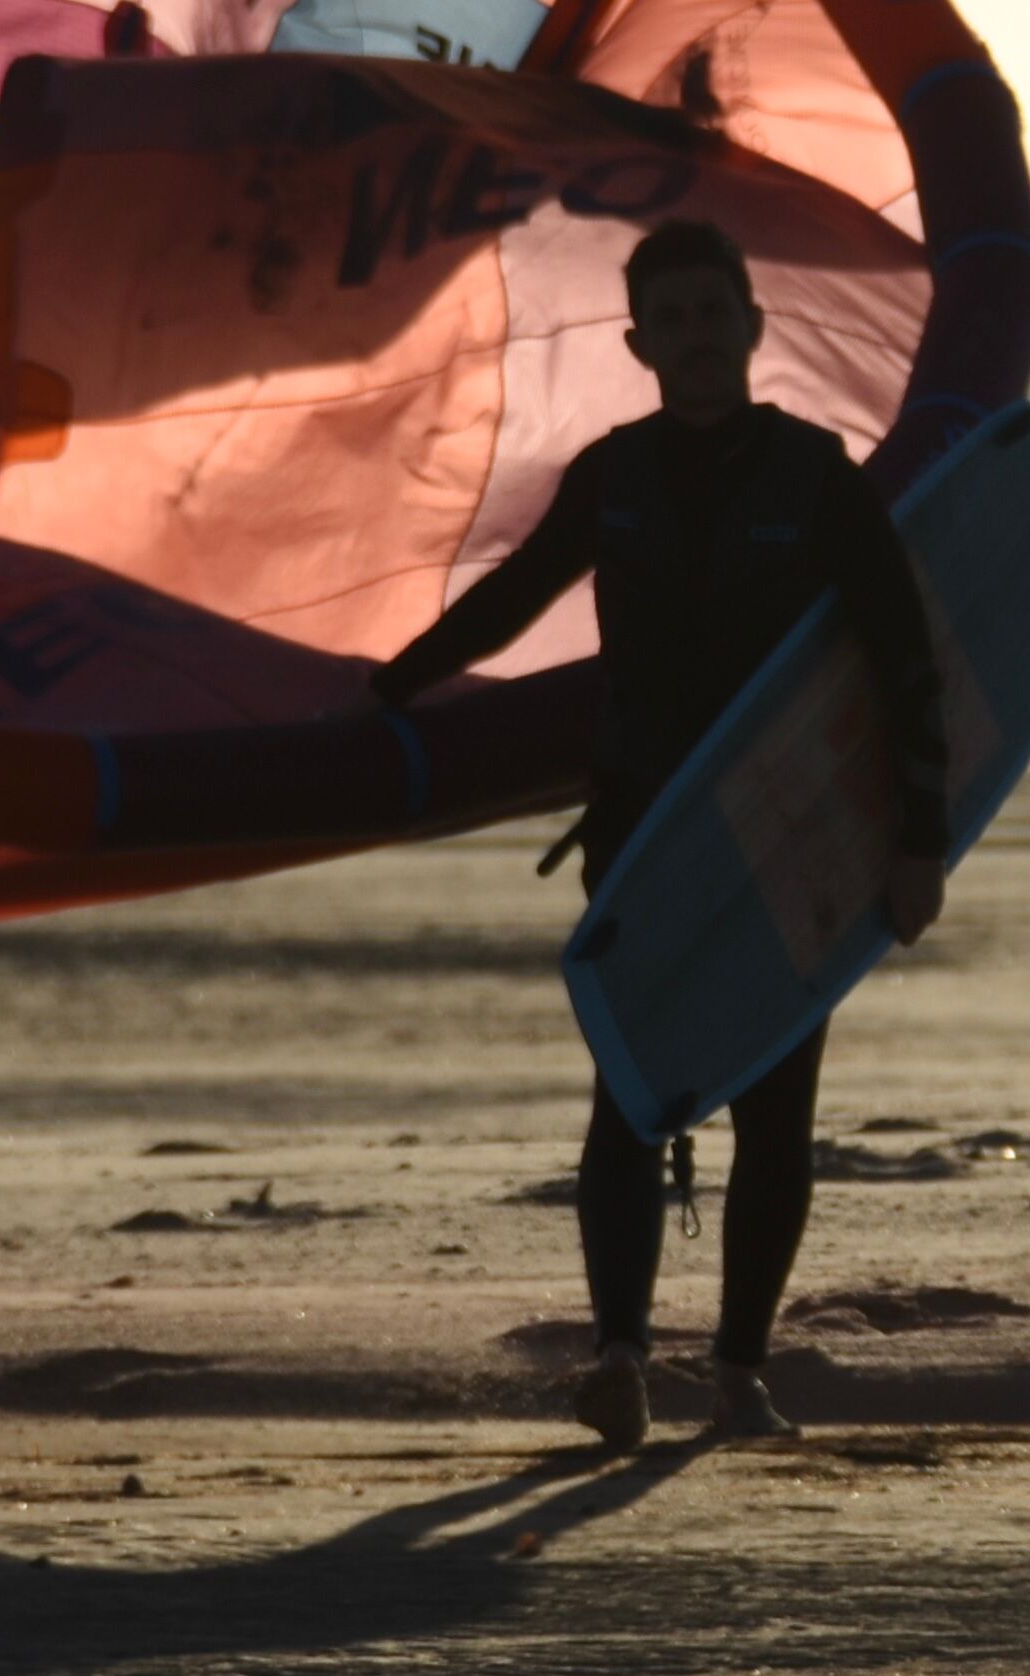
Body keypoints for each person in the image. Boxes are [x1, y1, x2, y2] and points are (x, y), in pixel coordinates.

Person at [374, 220, 955, 1451]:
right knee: (630, 1098)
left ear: (753, 325)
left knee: (776, 1110)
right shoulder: (614, 474)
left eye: (714, 313)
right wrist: (386, 694)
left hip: (793, 837)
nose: (696, 337)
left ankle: (740, 1371)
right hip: (641, 829)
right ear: (640, 343)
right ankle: (623, 1355)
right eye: (671, 320)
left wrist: (922, 841)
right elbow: (510, 598)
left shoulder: (814, 475)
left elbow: (908, 659)